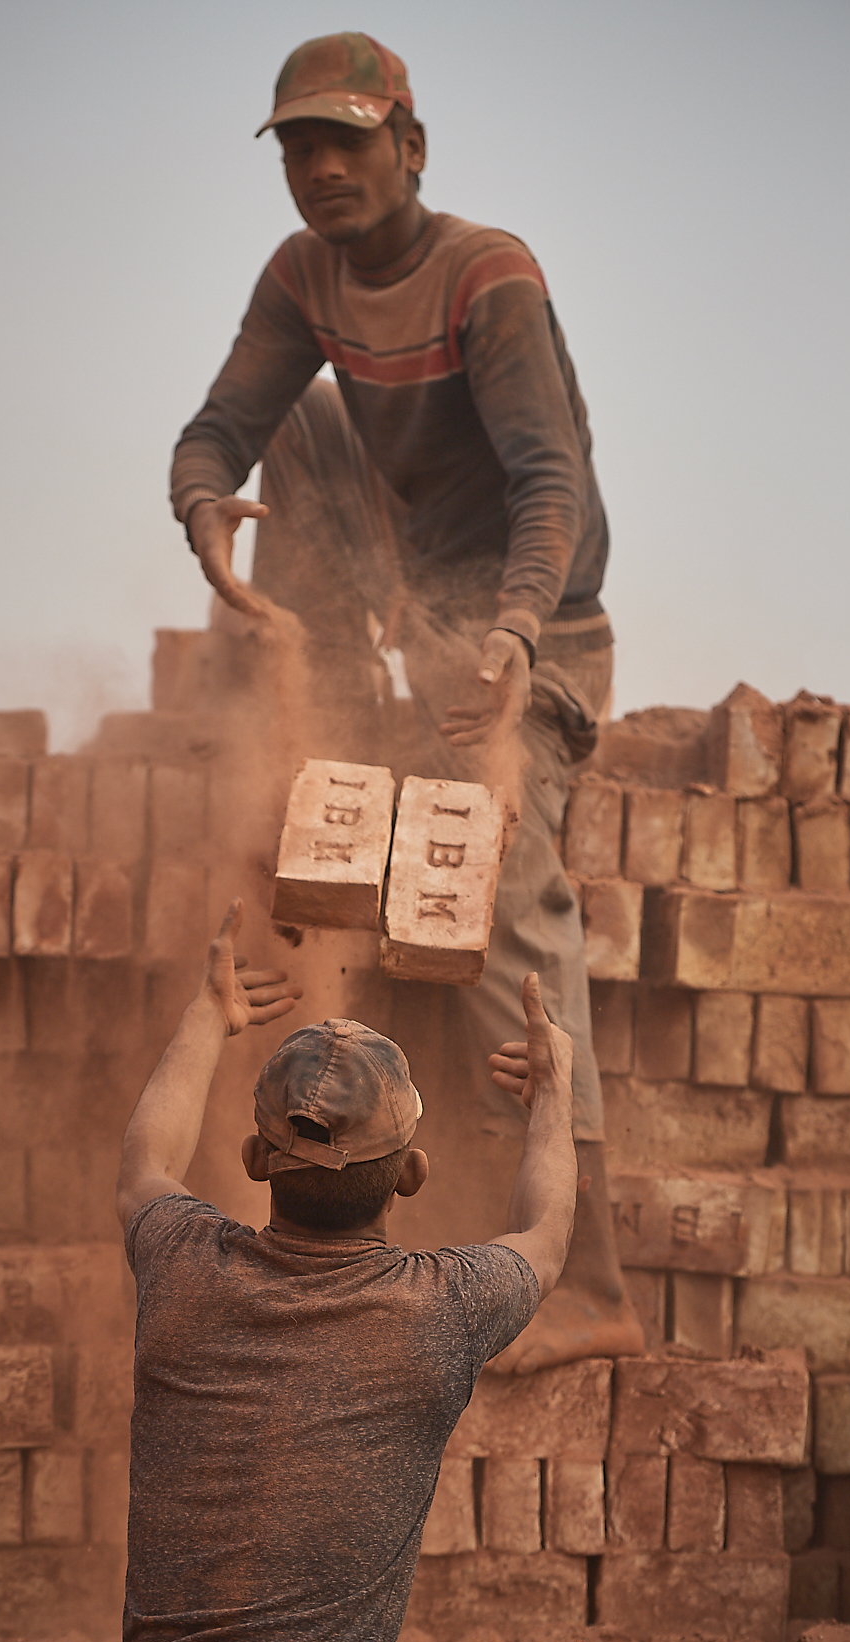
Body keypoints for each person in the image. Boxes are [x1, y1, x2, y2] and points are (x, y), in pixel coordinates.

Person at [169, 32, 643, 1370]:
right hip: (402, 638)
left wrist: (503, 641)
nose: (322, 167)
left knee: (496, 890)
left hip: (534, 634)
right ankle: (301, 701)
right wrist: (204, 509)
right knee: (302, 426)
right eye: (298, 147)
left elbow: (553, 482)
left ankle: (594, 1281)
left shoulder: (487, 276)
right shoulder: (301, 277)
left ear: (409, 148)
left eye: (348, 139)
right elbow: (217, 429)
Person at [86, 898, 578, 1642]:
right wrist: (555, 1092)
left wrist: (211, 1013)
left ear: (252, 1162)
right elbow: (547, 1235)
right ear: (412, 1175)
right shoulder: (443, 1311)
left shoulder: (180, 1265)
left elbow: (145, 1165)